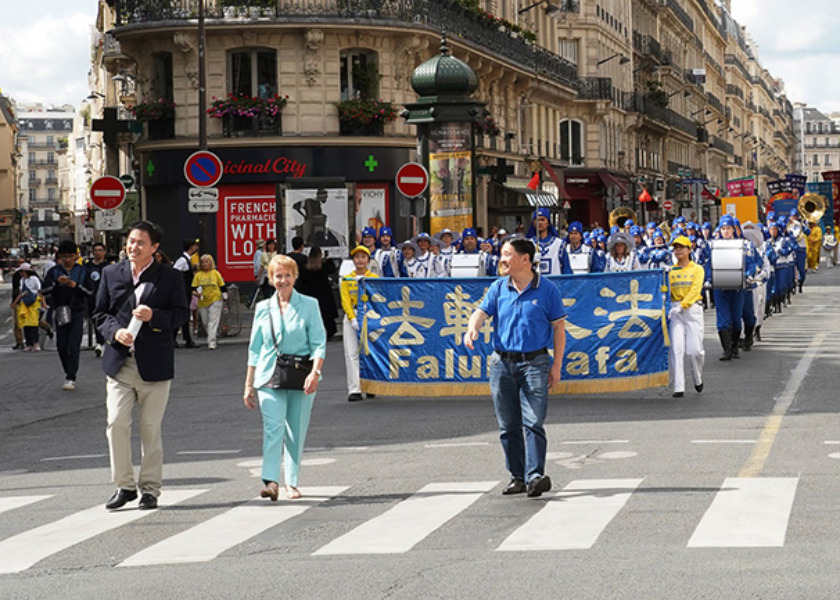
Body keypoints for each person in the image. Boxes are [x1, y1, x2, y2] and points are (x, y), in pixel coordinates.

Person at [94, 220, 189, 511]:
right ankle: (124, 486)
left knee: (150, 428)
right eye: (131, 241)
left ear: (155, 248)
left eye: (140, 243)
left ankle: (150, 489)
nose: (133, 247)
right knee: (116, 423)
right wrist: (113, 332)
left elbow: (181, 314)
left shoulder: (170, 277)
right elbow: (99, 314)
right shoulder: (112, 273)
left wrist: (154, 316)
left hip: (155, 365)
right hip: (120, 363)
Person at [463, 238, 566, 498]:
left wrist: (557, 365)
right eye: (502, 254)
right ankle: (517, 476)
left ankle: (534, 476)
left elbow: (559, 328)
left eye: (508, 254)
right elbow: (480, 312)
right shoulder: (499, 287)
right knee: (508, 425)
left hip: (535, 362)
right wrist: (472, 328)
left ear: (525, 259)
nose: (502, 259)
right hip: (502, 363)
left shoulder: (548, 289)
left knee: (533, 421)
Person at [243, 254, 327, 501]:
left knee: (296, 430)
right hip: (269, 375)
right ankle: (270, 481)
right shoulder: (262, 308)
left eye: (287, 275)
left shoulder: (309, 305)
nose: (283, 280)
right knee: (273, 428)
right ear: (270, 279)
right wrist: (248, 385)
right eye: (278, 276)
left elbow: (319, 343)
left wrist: (315, 372)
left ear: (295, 277)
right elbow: (254, 349)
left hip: (302, 375)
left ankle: (292, 482)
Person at [42, 240, 95, 391]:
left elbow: (91, 292)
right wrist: (56, 284)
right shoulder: (54, 272)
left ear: (76, 255)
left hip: (78, 311)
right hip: (60, 311)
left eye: (70, 256)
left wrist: (75, 286)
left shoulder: (83, 271)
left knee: (74, 345)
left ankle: (71, 376)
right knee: (61, 346)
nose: (67, 259)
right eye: (64, 256)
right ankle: (68, 371)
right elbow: (44, 291)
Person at [667, 236, 705, 398]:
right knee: (677, 349)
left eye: (682, 247)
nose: (678, 251)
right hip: (675, 310)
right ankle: (678, 386)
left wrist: (683, 305)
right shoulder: (671, 271)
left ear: (689, 250)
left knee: (695, 350)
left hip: (692, 310)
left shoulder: (697, 269)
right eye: (675, 248)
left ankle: (697, 377)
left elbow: (695, 290)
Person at [340, 246, 378, 402]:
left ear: (368, 260)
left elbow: (378, 298)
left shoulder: (374, 278)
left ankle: (371, 385)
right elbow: (345, 300)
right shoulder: (347, 278)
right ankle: (354, 388)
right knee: (352, 353)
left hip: (370, 315)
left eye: (363, 257)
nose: (360, 260)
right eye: (357, 257)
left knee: (370, 351)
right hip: (354, 316)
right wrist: (352, 317)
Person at [297, 245, 338, 339]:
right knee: (327, 317)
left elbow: (301, 283)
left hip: (311, 294)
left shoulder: (305, 268)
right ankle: (330, 332)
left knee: (313, 317)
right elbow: (333, 270)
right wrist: (329, 259)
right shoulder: (324, 266)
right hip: (324, 294)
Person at [191, 254, 228, 350]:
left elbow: (222, 285)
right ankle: (212, 335)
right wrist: (197, 294)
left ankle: (211, 341)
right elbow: (193, 288)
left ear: (211, 263)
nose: (204, 264)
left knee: (213, 320)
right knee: (206, 322)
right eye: (202, 262)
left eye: (206, 262)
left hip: (215, 299)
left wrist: (224, 294)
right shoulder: (198, 275)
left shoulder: (215, 273)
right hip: (203, 301)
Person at [84, 242, 113, 356]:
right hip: (92, 297)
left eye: (100, 250)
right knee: (95, 320)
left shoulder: (108, 266)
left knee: (106, 319)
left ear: (104, 252)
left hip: (106, 297)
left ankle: (105, 342)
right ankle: (100, 342)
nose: (98, 252)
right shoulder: (87, 266)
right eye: (96, 250)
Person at [172, 239, 200, 348]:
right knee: (183, 313)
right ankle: (180, 338)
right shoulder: (183, 261)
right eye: (194, 246)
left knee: (185, 314)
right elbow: (174, 273)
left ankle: (185, 338)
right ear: (191, 247)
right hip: (183, 290)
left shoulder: (187, 260)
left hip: (186, 290)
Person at [11, 263, 44, 352]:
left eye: (21, 271)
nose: (20, 273)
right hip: (25, 304)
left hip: (34, 304)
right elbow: (21, 293)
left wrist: (43, 303)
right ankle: (29, 344)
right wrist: (15, 303)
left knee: (33, 324)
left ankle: (36, 343)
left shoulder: (34, 279)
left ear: (25, 271)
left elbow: (39, 291)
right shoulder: (22, 280)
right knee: (25, 324)